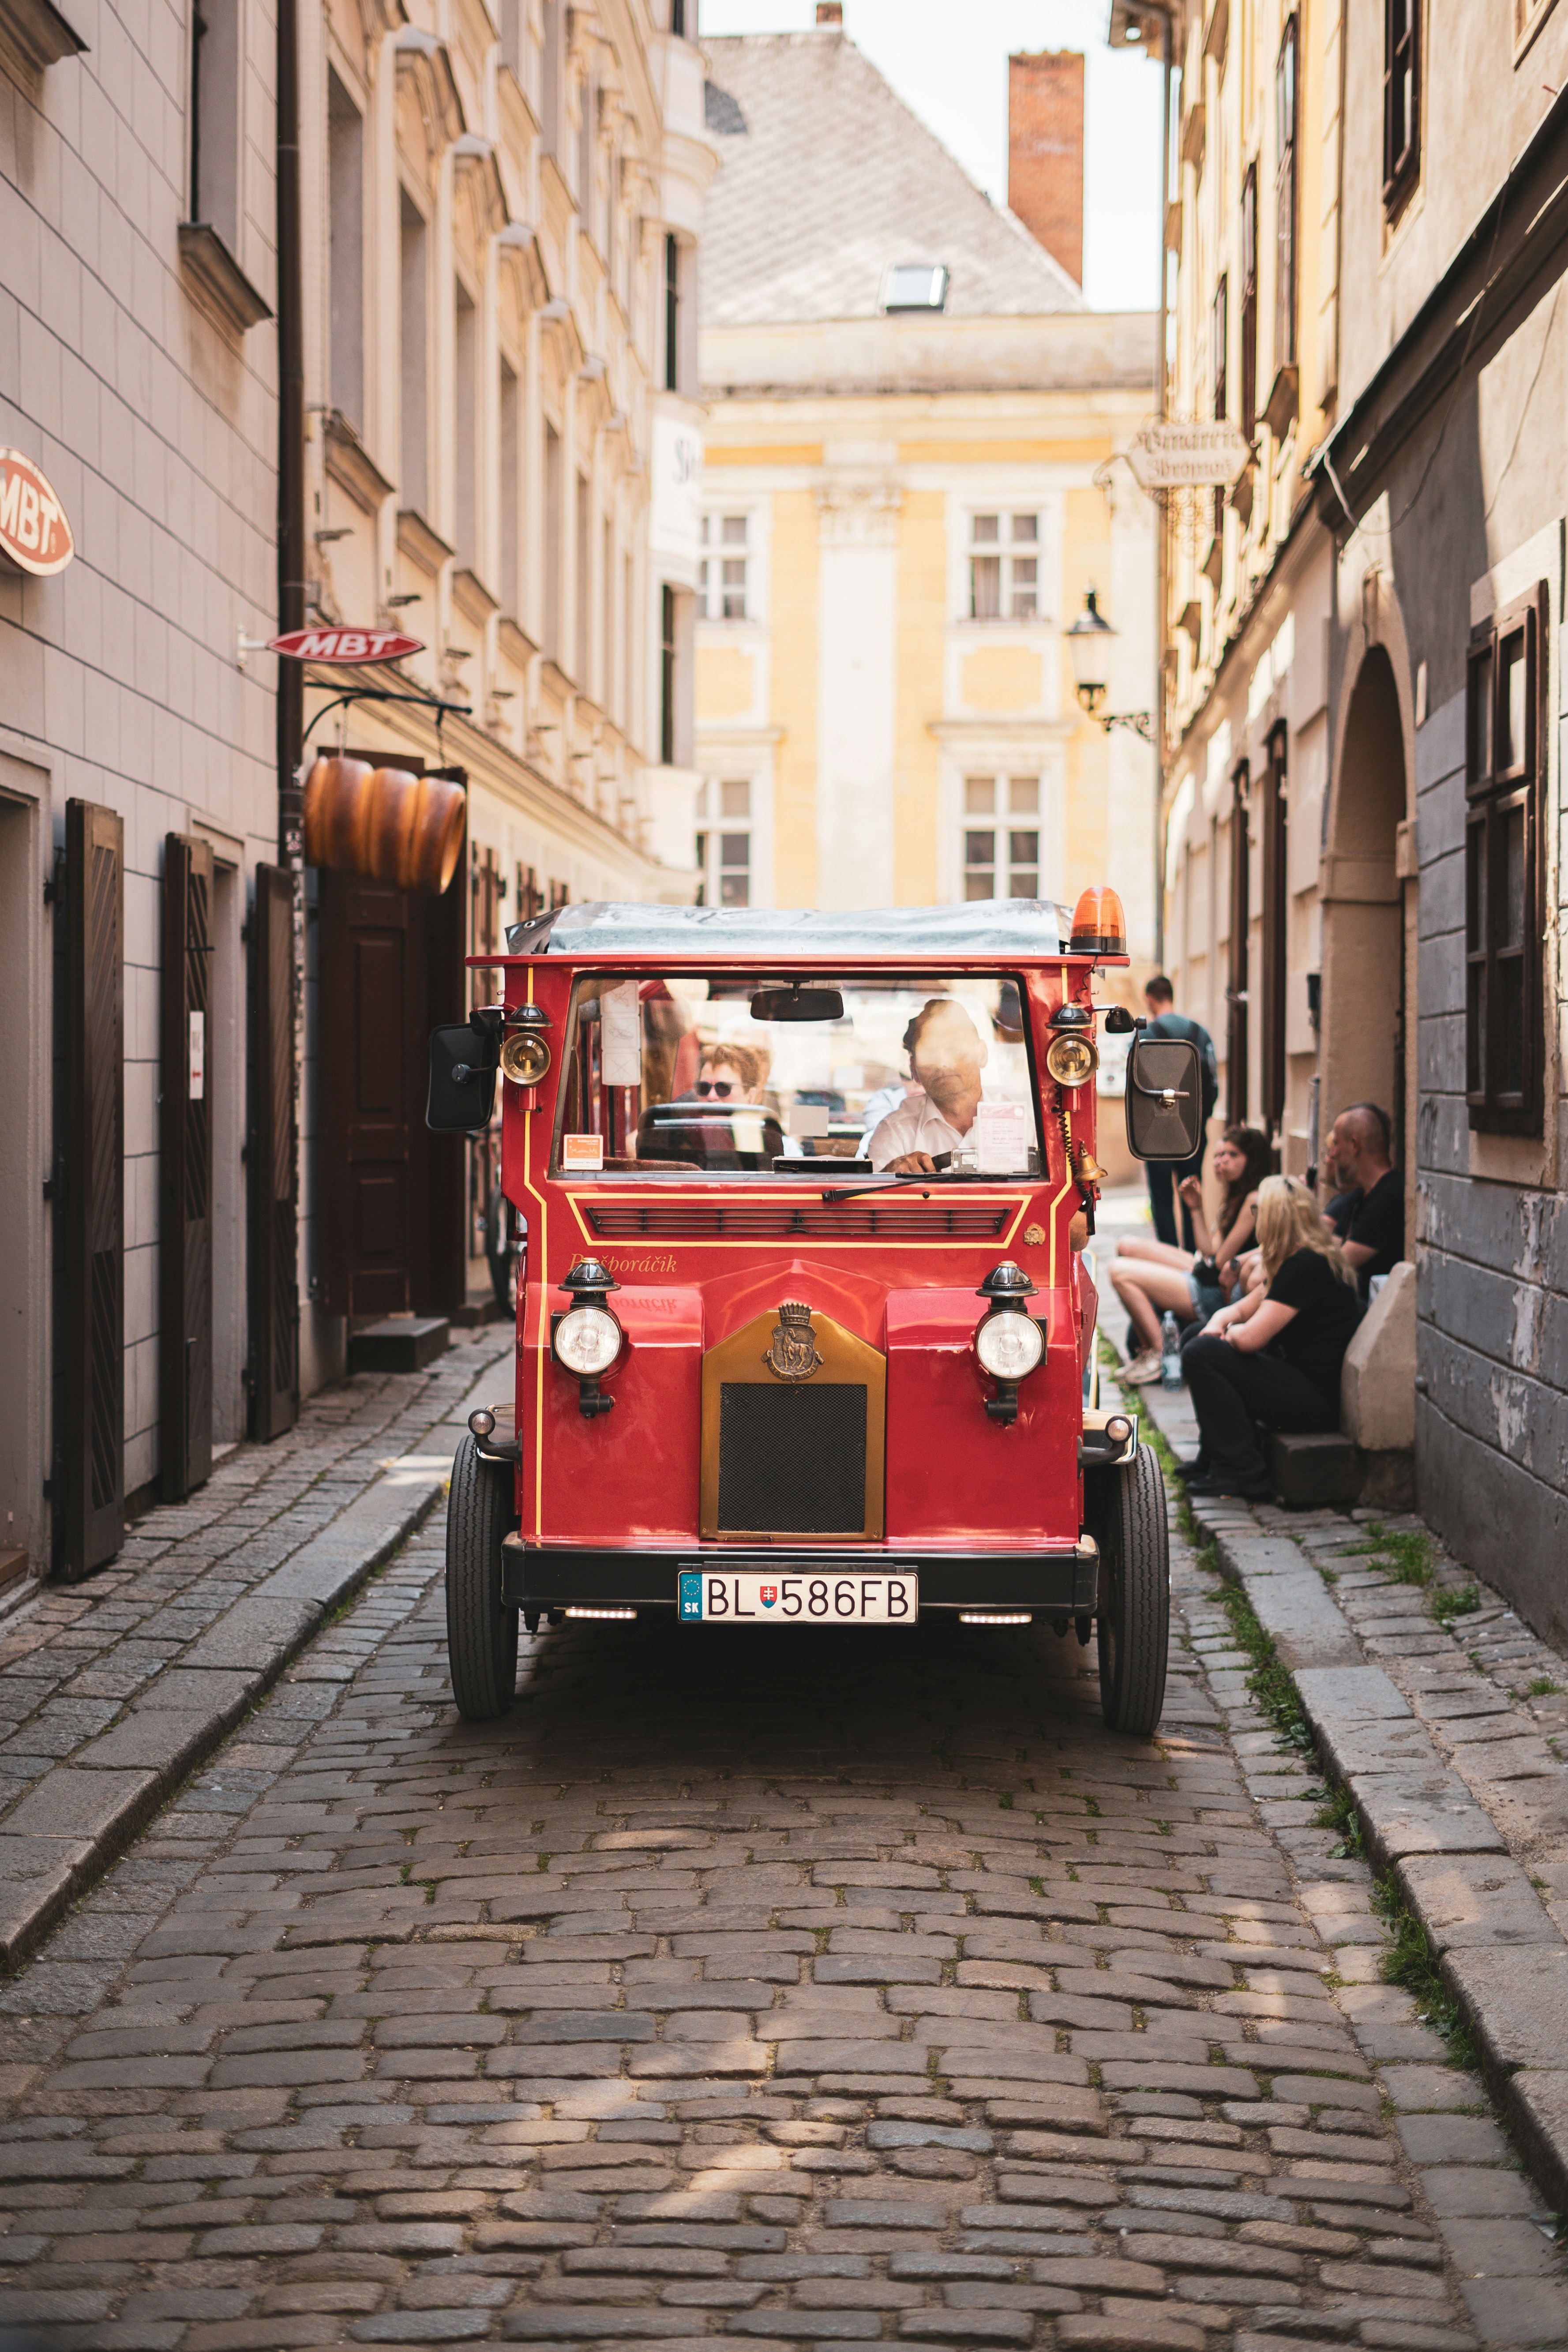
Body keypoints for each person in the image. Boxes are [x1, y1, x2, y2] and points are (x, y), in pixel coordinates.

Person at [1179, 1174, 1363, 1500]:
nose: (1255, 1217)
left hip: (1314, 1399)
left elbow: (1250, 1338)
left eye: (1257, 1210)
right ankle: (1216, 1456)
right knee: (1198, 1335)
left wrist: (1223, 1334)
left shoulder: (1306, 1266)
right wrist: (1219, 1323)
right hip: (1297, 1381)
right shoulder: (1298, 1258)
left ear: (1274, 1218)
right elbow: (1239, 1310)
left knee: (1201, 1352)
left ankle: (1242, 1470)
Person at [1110, 1125, 1273, 1384]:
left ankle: (1160, 1354)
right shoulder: (1236, 1194)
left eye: (1232, 1155)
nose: (1221, 1162)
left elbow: (1220, 1261)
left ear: (1252, 1160)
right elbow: (1210, 1251)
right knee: (1127, 1246)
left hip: (1220, 1293)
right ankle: (1147, 1351)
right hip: (1211, 1273)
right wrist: (1195, 1208)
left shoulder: (1255, 1198)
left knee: (1119, 1272)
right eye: (1219, 1155)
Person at [867, 999, 991, 1173]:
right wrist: (889, 1175)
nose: (942, 1062)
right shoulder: (895, 1132)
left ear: (982, 1054)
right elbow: (875, 1198)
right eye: (929, 1053)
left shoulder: (1026, 1123)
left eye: (954, 1049)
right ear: (914, 1069)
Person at [1141, 976, 1218, 1249]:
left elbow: (1137, 1089)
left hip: (1156, 1134)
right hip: (1192, 1131)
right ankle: (1193, 1253)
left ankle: (1169, 1256)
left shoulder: (1145, 1035)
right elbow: (1213, 1082)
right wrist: (1200, 1119)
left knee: (1162, 1200)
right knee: (1191, 1192)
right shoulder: (1201, 1033)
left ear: (1150, 999)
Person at [1321, 1102, 1403, 1296]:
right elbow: (1327, 1247)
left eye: (1336, 1144)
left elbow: (1338, 1264)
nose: (1332, 1154)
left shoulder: (1390, 1197)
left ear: (1354, 1145)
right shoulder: (1359, 1195)